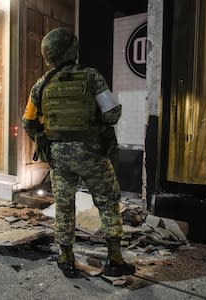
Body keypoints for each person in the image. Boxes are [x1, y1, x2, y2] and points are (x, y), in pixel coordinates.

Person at [22, 27, 135, 278]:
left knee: (64, 206)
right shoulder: (92, 76)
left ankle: (66, 259)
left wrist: (44, 141)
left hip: (58, 157)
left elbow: (28, 122)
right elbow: (112, 114)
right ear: (73, 49)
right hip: (92, 153)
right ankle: (115, 260)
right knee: (107, 203)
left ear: (47, 55)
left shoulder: (40, 85)